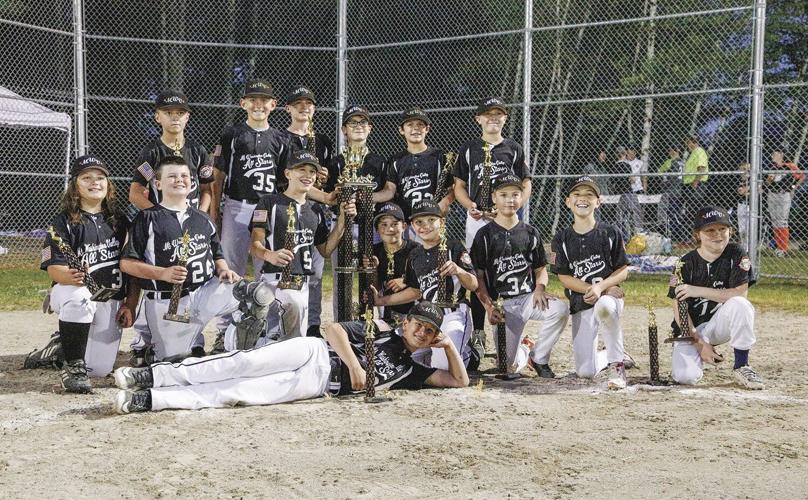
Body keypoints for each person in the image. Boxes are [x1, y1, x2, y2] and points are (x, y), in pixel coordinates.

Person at [112, 302, 469, 413]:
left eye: (429, 331)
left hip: (315, 385)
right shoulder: (382, 328)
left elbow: (458, 381)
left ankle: (151, 400)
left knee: (238, 391)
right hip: (314, 351)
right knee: (242, 363)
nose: (421, 333)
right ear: (406, 323)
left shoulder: (410, 370)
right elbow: (332, 329)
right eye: (418, 325)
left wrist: (450, 347)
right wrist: (357, 364)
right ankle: (155, 376)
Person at [120, 156, 242, 361]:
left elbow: (217, 253)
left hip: (204, 293)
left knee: (255, 296)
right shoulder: (148, 218)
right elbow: (127, 263)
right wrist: (163, 273)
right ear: (158, 184)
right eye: (172, 176)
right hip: (170, 302)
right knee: (175, 363)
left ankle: (237, 351)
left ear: (192, 182)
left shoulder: (202, 218)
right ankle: (154, 350)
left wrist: (223, 269)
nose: (179, 180)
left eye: (184, 175)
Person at [127, 90, 215, 364]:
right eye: (168, 113)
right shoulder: (151, 152)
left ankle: (194, 340)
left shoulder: (198, 152)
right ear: (158, 117)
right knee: (156, 282)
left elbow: (209, 190)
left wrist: (197, 217)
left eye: (179, 113)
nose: (174, 118)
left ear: (187, 117)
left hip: (190, 223)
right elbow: (135, 192)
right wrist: (158, 215)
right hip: (161, 227)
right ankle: (143, 340)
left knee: (192, 281)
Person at [37, 155, 138, 393]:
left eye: (100, 177)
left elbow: (131, 266)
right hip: (71, 292)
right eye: (86, 178)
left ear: (108, 184)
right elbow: (53, 266)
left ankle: (61, 347)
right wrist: (68, 276)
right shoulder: (64, 222)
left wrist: (130, 303)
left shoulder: (120, 221)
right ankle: (73, 368)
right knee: (79, 297)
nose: (95, 182)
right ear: (75, 185)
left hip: (108, 297)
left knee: (99, 369)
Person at [453, 97, 531, 357]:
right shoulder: (469, 148)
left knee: (505, 269)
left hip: (506, 216)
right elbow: (459, 186)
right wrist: (469, 206)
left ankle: (509, 329)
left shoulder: (513, 149)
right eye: (488, 115)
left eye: (499, 114)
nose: (493, 119)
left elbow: (525, 182)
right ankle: (478, 334)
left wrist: (512, 206)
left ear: (505, 119)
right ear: (479, 119)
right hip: (477, 219)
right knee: (477, 274)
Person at [248, 150, 354, 342]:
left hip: (302, 287)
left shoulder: (316, 211)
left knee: (294, 340)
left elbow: (326, 250)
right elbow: (254, 246)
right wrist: (269, 255)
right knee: (273, 339)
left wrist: (342, 222)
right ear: (288, 173)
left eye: (312, 172)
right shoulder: (269, 203)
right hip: (275, 282)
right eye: (301, 169)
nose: (308, 176)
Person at [471, 174, 569, 378]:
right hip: (502, 305)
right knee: (507, 368)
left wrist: (540, 288)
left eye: (515, 194)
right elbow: (478, 277)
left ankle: (539, 357)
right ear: (494, 198)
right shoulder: (485, 235)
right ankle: (525, 350)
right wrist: (489, 306)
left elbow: (541, 269)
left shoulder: (530, 232)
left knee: (560, 309)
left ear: (522, 197)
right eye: (503, 195)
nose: (510, 200)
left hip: (527, 299)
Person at [372, 199, 478, 370]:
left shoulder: (454, 246)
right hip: (427, 318)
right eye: (419, 222)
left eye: (431, 220)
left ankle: (468, 355)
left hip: (453, 313)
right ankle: (449, 353)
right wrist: (380, 301)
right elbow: (414, 292)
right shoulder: (415, 255)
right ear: (412, 225)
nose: (425, 226)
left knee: (442, 367)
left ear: (441, 222)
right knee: (396, 359)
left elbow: (473, 285)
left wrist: (459, 270)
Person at [668, 206, 764, 389]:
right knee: (685, 377)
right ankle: (693, 355)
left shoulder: (736, 253)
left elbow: (739, 294)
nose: (717, 235)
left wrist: (697, 290)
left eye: (722, 229)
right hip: (692, 330)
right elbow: (678, 308)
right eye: (709, 230)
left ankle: (742, 365)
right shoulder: (684, 263)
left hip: (719, 324)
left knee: (740, 305)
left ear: (730, 231)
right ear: (698, 235)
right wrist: (699, 343)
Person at [551, 176, 631, 390]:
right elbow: (563, 276)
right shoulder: (561, 238)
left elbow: (623, 270)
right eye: (577, 195)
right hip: (581, 302)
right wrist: (590, 288)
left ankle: (617, 365)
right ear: (568, 202)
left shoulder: (609, 233)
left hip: (608, 299)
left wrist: (601, 288)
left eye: (589, 195)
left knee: (604, 306)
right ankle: (608, 355)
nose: (582, 199)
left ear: (598, 201)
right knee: (585, 372)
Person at [210, 79, 289, 279]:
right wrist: (214, 210)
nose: (258, 105)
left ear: (273, 104)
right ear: (242, 103)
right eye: (252, 100)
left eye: (264, 100)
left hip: (266, 208)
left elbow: (284, 181)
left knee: (266, 265)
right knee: (230, 266)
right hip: (236, 205)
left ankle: (263, 309)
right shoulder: (232, 134)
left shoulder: (280, 139)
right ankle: (230, 311)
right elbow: (218, 175)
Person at [281, 86, 336, 338]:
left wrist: (324, 176)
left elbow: (326, 178)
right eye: (298, 104)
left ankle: (312, 324)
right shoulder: (280, 139)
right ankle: (279, 324)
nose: (304, 108)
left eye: (309, 104)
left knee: (314, 271)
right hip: (289, 210)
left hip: (316, 210)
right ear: (288, 109)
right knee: (286, 267)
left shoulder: (322, 141)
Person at [377, 107, 455, 240]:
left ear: (427, 129)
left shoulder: (439, 157)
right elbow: (390, 191)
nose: (416, 129)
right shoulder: (396, 160)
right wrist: (365, 196)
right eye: (410, 125)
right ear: (401, 130)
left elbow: (453, 189)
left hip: (432, 221)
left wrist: (445, 202)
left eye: (420, 124)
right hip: (407, 223)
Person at [369, 202, 419, 322]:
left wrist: (406, 280)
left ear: (404, 226)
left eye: (395, 224)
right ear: (377, 229)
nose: (389, 229)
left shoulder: (416, 250)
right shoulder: (375, 251)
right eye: (384, 225)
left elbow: (424, 285)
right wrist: (373, 270)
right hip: (385, 311)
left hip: (413, 313)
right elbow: (373, 288)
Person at [766, 150, 805, 256]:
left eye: (775, 154)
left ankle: (783, 248)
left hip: (783, 195)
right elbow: (768, 182)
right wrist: (769, 179)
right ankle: (778, 246)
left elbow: (801, 176)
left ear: (781, 155)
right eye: (772, 154)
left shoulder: (789, 166)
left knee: (782, 221)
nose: (773, 156)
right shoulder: (772, 167)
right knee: (775, 221)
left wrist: (793, 187)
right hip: (772, 194)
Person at [658, 145, 685, 241]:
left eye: (670, 150)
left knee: (672, 213)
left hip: (672, 191)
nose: (669, 152)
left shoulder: (672, 162)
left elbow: (665, 174)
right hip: (680, 190)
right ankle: (679, 234)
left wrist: (664, 182)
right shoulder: (683, 162)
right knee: (678, 213)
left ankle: (675, 235)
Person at [682, 135, 709, 231]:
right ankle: (693, 233)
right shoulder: (693, 153)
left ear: (693, 142)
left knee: (695, 210)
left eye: (688, 142)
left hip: (696, 185)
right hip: (690, 184)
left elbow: (701, 168)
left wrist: (696, 181)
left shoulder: (699, 151)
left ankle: (698, 233)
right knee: (691, 210)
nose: (687, 145)